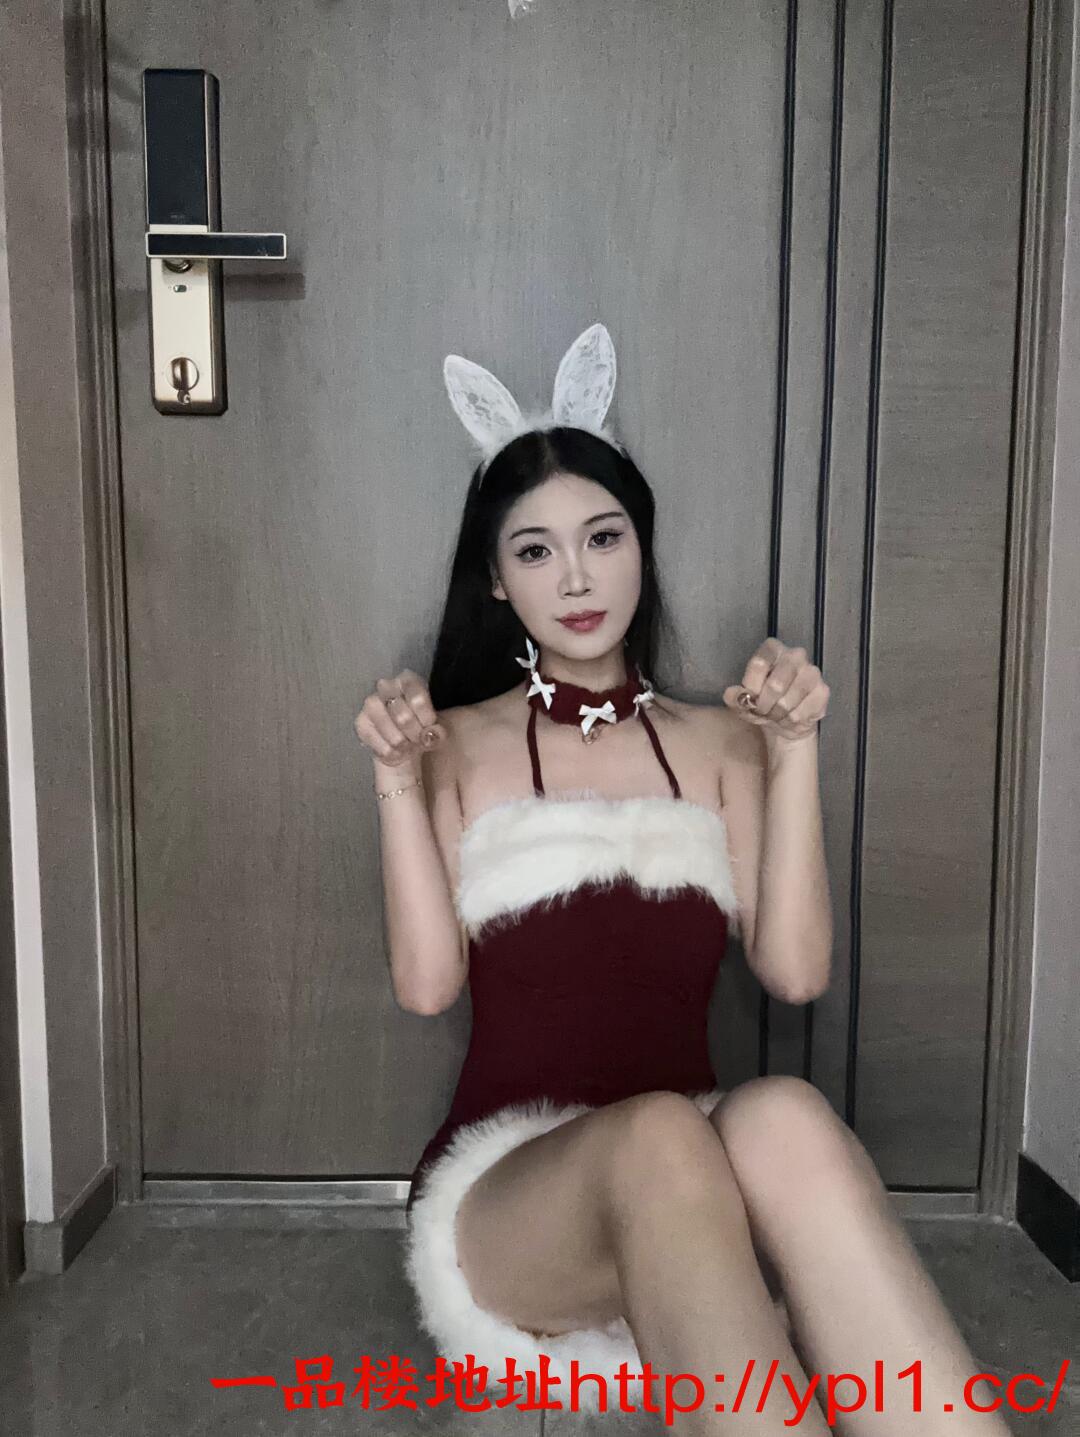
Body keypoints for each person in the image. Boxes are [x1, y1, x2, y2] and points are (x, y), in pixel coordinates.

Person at [353, 325, 1013, 1434]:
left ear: (641, 548)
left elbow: (794, 972)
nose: (576, 577)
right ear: (497, 581)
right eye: (535, 551)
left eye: (603, 537)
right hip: (511, 1197)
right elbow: (427, 987)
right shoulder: (449, 744)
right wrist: (391, 778)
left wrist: (791, 751)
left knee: (785, 1112)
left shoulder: (719, 743)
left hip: (691, 1166)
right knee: (660, 1133)